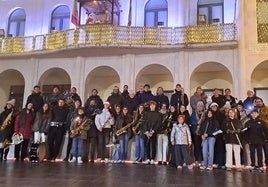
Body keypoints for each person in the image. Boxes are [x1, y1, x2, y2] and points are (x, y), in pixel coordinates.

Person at [140, 100, 161, 164]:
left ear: (155, 106)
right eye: (151, 105)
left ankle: (152, 158)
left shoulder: (158, 114)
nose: (152, 106)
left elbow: (158, 123)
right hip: (147, 132)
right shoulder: (146, 113)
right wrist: (147, 132)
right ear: (150, 106)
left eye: (153, 105)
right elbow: (144, 123)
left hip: (153, 132)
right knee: (147, 145)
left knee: (153, 145)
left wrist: (153, 131)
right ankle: (148, 158)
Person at [254, 97, 268, 169]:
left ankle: (267, 163)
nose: (258, 103)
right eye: (257, 102)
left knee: (266, 149)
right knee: (259, 150)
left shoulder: (266, 109)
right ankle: (260, 164)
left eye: (260, 101)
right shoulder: (254, 110)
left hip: (265, 131)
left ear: (262, 102)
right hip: (257, 133)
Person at [189, 101, 205, 167]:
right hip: (195, 132)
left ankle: (202, 160)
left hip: (202, 132)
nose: (200, 107)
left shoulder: (204, 114)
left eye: (201, 106)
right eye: (198, 106)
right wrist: (197, 123)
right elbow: (191, 121)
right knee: (196, 146)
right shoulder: (193, 113)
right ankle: (196, 160)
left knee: (203, 147)